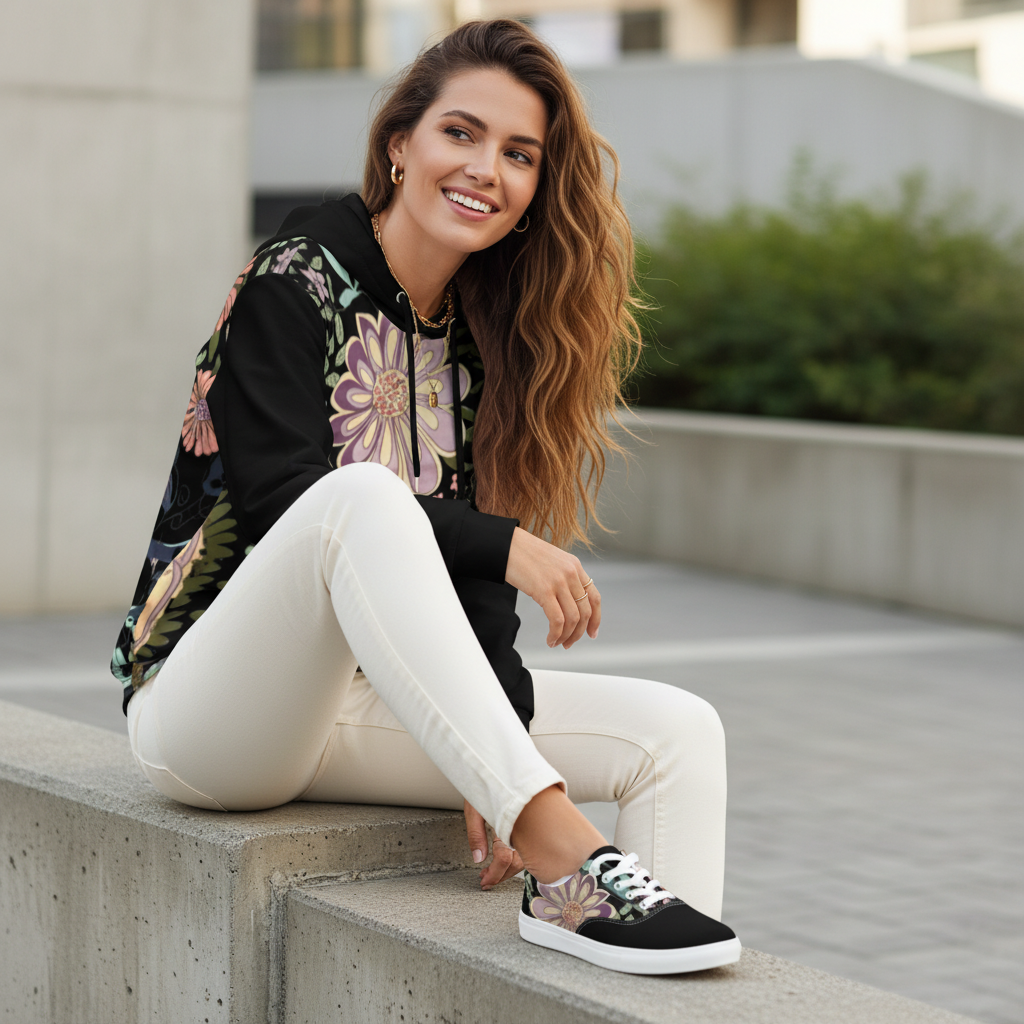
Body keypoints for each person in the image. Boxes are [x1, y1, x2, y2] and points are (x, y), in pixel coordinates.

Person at [111, 19, 740, 975]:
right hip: (213, 715)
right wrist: (506, 541)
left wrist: (499, 748)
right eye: (461, 133)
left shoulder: (482, 338)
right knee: (359, 496)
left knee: (679, 734)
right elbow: (288, 499)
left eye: (518, 153)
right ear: (400, 145)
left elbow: (479, 610)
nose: (487, 167)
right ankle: (564, 854)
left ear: (534, 191)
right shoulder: (299, 275)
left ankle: (654, 975)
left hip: (366, 714)